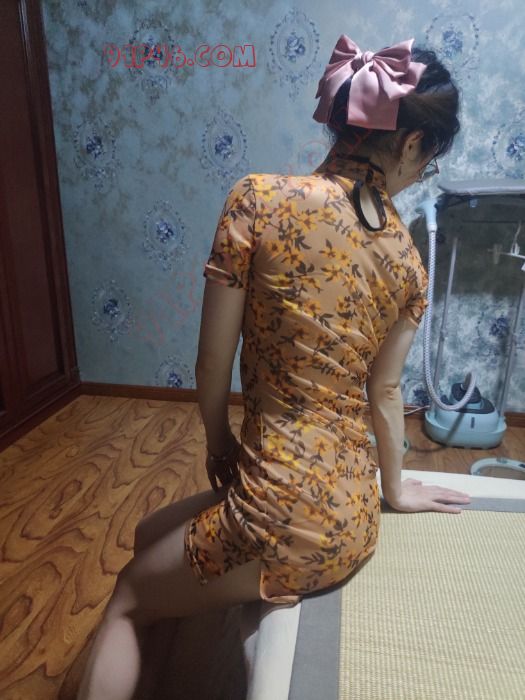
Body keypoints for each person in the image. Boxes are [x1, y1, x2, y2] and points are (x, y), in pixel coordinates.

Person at [77, 34, 472, 699]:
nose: (419, 173)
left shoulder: (257, 201)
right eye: (428, 162)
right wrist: (396, 490)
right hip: (351, 517)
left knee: (125, 597)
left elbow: (211, 362)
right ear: (411, 144)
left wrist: (218, 445)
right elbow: (385, 393)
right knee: (148, 535)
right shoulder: (408, 262)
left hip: (276, 516)